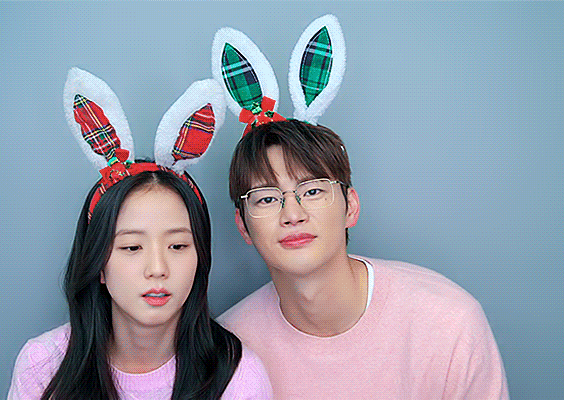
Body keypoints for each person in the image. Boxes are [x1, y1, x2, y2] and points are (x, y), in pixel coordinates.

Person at [8, 68, 272, 399]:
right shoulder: (43, 366)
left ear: (200, 258)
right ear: (98, 262)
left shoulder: (236, 375)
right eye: (132, 247)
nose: (157, 269)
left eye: (178, 245)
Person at [218, 120, 509, 399]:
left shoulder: (448, 322)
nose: (293, 215)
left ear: (351, 207)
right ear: (243, 226)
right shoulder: (225, 350)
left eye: (313, 191)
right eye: (266, 198)